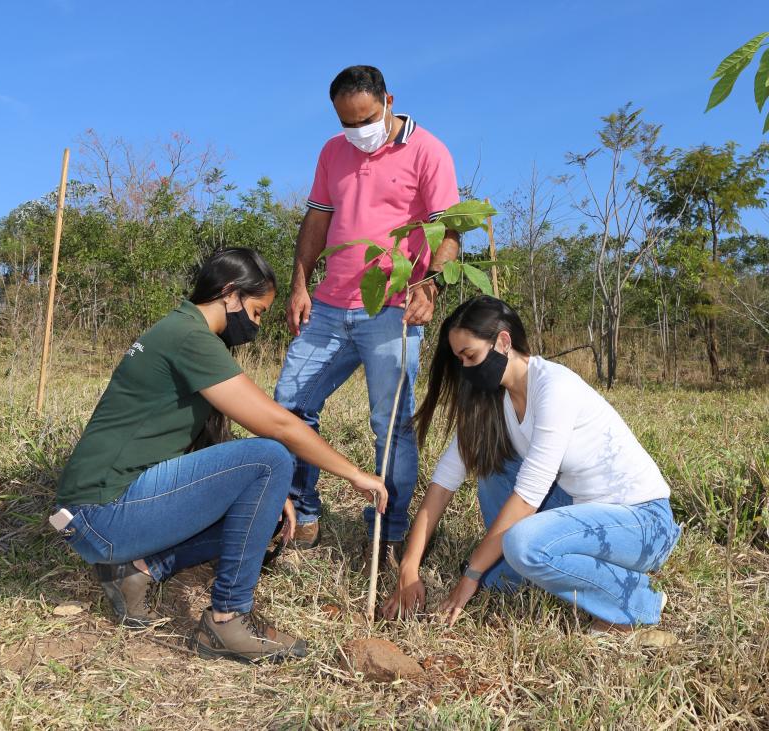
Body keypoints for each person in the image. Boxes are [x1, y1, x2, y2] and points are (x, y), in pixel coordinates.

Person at [53, 248, 387, 664]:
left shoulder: (184, 331)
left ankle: (137, 571)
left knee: (261, 514)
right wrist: (354, 474)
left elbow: (204, 452)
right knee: (271, 457)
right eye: (258, 311)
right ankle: (226, 621)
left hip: (101, 514)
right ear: (230, 294)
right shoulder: (188, 336)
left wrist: (266, 497)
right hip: (100, 513)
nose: (257, 325)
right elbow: (278, 425)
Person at [382, 296, 681, 633]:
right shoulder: (493, 402)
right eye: (460, 360)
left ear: (503, 341)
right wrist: (409, 567)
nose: (466, 369)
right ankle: (523, 574)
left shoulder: (555, 387)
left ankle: (636, 601)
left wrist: (471, 575)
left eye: (471, 356)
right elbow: (442, 486)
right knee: (492, 468)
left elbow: (527, 498)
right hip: (584, 509)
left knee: (522, 544)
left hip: (643, 524)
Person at [274, 65, 460, 570]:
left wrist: (432, 282)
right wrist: (299, 283)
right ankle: (300, 512)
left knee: (391, 423)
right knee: (289, 404)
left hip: (392, 310)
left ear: (388, 101)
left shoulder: (429, 151)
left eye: (367, 119)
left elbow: (450, 230)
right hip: (331, 306)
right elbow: (317, 219)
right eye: (347, 123)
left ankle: (390, 530)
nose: (359, 132)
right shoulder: (333, 152)